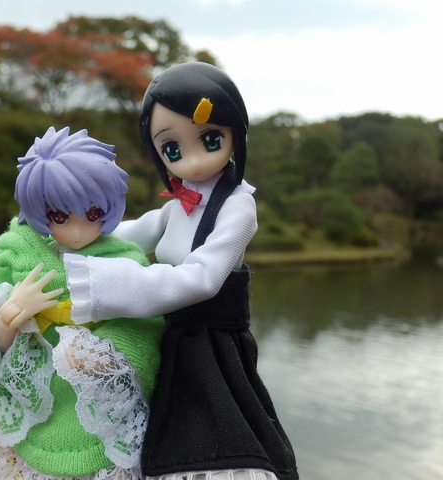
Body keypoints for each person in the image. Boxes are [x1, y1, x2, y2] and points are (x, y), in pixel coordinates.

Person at [63, 63, 299, 480]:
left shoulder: (238, 206)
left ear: (235, 135)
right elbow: (132, 233)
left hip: (212, 345)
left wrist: (109, 283)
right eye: (172, 149)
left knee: (209, 446)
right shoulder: (179, 204)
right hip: (170, 330)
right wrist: (73, 230)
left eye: (210, 140)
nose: (192, 160)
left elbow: (203, 278)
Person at [0, 126, 164, 480]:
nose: (78, 231)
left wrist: (100, 355)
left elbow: (143, 324)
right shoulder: (15, 250)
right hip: (29, 397)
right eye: (60, 217)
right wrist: (6, 315)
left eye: (93, 214)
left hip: (88, 402)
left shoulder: (124, 261)